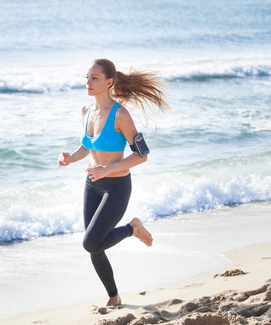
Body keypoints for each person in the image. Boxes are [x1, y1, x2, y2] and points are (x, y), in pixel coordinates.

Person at [57, 58, 169, 306]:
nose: (88, 82)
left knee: (90, 243)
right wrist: (70, 159)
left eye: (94, 78)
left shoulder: (121, 115)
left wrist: (108, 169)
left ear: (108, 82)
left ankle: (133, 228)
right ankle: (114, 297)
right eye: (86, 77)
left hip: (116, 187)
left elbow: (142, 155)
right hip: (92, 184)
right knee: (95, 246)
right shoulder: (86, 111)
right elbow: (87, 147)